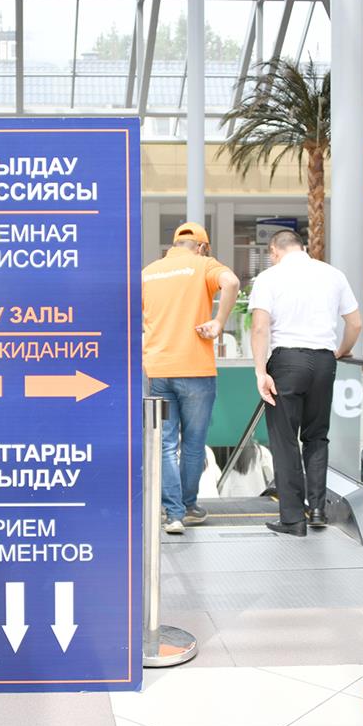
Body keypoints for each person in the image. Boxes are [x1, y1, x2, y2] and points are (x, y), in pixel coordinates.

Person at [249, 230, 362, 537]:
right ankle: (318, 510)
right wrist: (341, 351)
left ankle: (293, 519)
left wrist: (260, 371)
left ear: (274, 251)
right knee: (316, 436)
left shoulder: (269, 278)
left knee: (285, 440)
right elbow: (355, 323)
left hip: (287, 362)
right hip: (324, 361)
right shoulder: (333, 275)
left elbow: (260, 328)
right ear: (303, 247)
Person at [142, 221, 241, 534]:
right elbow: (232, 282)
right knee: (194, 443)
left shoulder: (149, 273)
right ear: (201, 247)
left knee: (165, 444)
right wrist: (219, 322)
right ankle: (188, 506)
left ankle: (173, 514)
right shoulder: (203, 265)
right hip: (196, 368)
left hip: (157, 369)